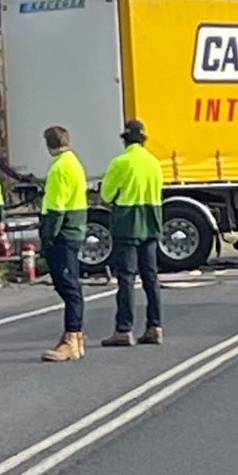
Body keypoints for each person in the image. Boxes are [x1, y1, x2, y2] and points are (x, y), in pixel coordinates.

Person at [100, 120, 164, 348]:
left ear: (124, 139)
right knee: (151, 277)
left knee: (126, 279)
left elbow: (107, 195)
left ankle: (124, 329)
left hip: (127, 223)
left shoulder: (120, 162)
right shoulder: (154, 163)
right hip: (152, 222)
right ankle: (154, 326)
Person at [39, 125, 88, 362]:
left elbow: (56, 207)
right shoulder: (74, 162)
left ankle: (72, 336)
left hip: (63, 233)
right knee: (70, 284)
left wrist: (48, 236)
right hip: (75, 228)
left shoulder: (59, 168)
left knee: (67, 285)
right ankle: (75, 337)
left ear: (48, 145)